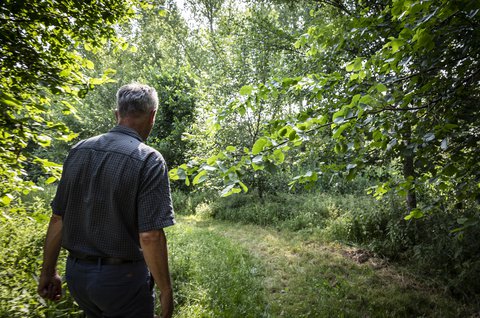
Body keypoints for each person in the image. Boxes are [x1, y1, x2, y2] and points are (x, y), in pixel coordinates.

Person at [37, 83, 175, 318]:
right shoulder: (149, 159)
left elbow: (58, 218)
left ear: (117, 113)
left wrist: (47, 272)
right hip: (123, 281)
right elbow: (150, 236)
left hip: (78, 277)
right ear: (152, 116)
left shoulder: (78, 150)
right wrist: (166, 291)